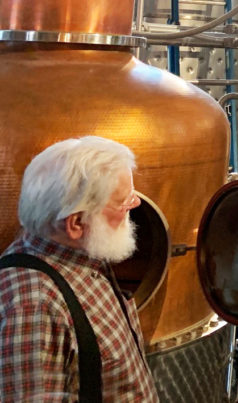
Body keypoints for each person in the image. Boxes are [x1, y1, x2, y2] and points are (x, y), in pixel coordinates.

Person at [0, 136, 159, 401]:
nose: (136, 205)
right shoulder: (32, 308)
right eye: (124, 202)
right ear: (75, 223)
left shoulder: (83, 256)